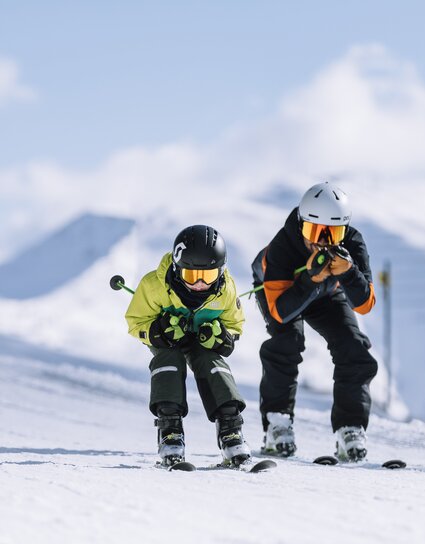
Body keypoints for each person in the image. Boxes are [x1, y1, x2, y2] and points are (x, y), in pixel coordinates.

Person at [251, 182, 378, 461]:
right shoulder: (284, 245)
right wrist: (310, 279)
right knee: (287, 340)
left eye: (332, 233)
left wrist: (348, 272)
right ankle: (277, 423)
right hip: (281, 293)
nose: (322, 241)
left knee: (354, 346)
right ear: (301, 224)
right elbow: (280, 312)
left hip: (326, 293)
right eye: (314, 231)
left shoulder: (352, 244)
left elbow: (365, 304)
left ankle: (350, 427)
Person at [125, 224, 250, 467]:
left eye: (209, 275)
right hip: (170, 341)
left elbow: (235, 324)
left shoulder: (226, 290)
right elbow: (135, 321)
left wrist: (223, 337)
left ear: (221, 271)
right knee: (168, 360)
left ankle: (230, 430)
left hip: (202, 343)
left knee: (212, 362)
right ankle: (170, 431)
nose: (200, 284)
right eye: (191, 275)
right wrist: (159, 331)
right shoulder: (154, 285)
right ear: (176, 267)